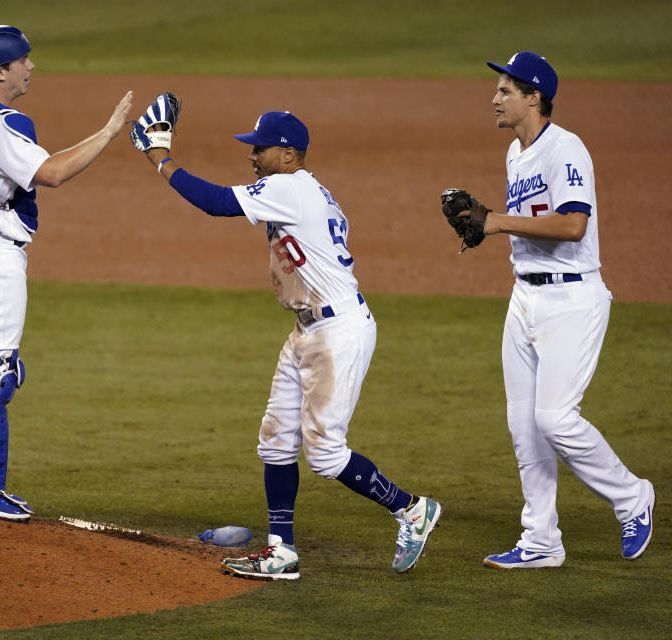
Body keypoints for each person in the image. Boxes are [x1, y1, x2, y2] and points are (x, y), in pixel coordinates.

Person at [131, 103, 441, 579]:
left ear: (289, 153)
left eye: (260, 148)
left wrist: (159, 156)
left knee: (324, 454)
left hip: (338, 332)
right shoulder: (302, 188)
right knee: (275, 443)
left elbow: (214, 202)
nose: (252, 156)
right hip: (307, 329)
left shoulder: (289, 188)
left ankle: (411, 509)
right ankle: (282, 551)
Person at [0, 25, 133, 521]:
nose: (31, 66)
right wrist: (108, 132)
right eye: (23, 60)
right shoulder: (6, 122)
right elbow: (54, 173)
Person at [461, 52, 654, 568]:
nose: (495, 98)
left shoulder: (566, 150)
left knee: (555, 419)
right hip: (524, 296)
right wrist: (490, 229)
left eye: (506, 90)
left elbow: (573, 226)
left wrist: (497, 222)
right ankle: (541, 539)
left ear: (534, 96)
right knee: (523, 425)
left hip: (571, 299)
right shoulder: (513, 153)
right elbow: (529, 221)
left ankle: (632, 497)